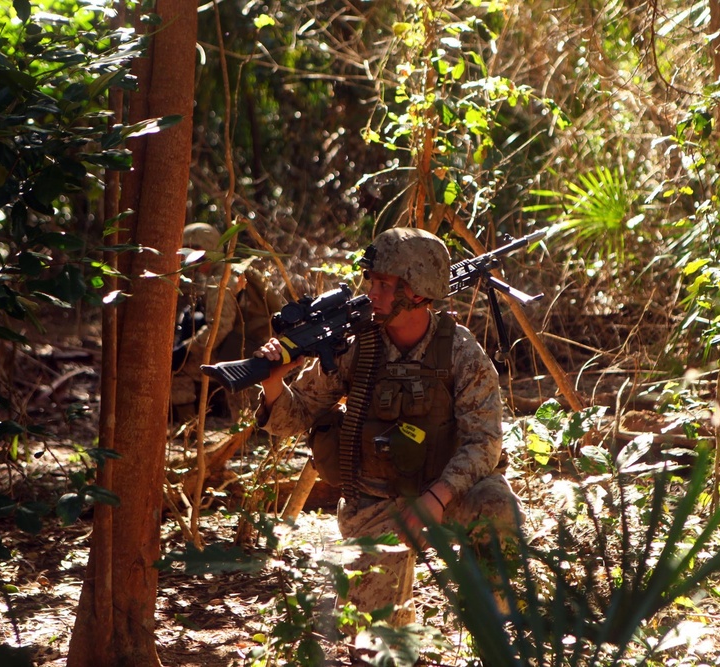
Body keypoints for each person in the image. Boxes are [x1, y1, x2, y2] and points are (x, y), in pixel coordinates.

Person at [254, 226, 524, 627]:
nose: (371, 292)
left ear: (416, 292)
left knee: (499, 507)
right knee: (375, 640)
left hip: (446, 495)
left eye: (384, 283)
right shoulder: (355, 345)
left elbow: (484, 443)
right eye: (371, 281)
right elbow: (297, 416)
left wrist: (435, 499)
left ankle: (493, 630)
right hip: (374, 503)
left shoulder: (460, 351)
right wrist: (273, 381)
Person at [171, 222, 283, 420]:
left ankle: (187, 429)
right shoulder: (233, 269)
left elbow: (220, 327)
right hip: (258, 346)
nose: (189, 261)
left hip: (242, 351)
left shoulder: (220, 280)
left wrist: (186, 350)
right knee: (249, 410)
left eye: (191, 253)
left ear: (203, 251)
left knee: (178, 370)